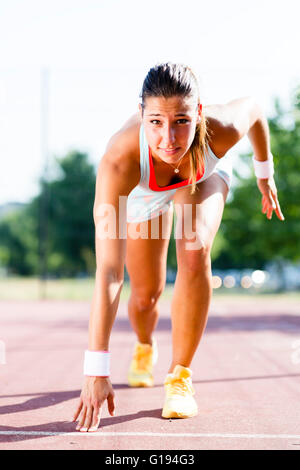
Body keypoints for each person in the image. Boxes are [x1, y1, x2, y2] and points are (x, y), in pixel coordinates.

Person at [72, 62, 284, 432]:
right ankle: (143, 345)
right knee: (146, 295)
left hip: (201, 174)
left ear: (198, 113)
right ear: (142, 116)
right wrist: (96, 368)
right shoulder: (119, 163)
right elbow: (108, 271)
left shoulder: (221, 128)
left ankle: (179, 376)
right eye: (155, 122)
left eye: (181, 121)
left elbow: (253, 109)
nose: (168, 138)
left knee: (194, 246)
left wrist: (264, 173)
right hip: (144, 193)